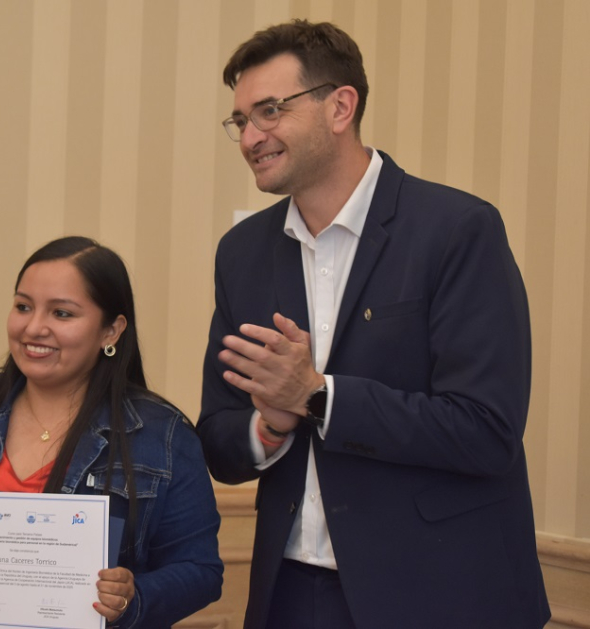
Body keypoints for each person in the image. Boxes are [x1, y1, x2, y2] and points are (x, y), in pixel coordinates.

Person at [197, 19, 549, 629]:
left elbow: (487, 430)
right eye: (241, 121)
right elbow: (221, 442)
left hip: (437, 593)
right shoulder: (242, 253)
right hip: (287, 594)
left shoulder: (457, 231)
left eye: (270, 111)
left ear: (340, 106)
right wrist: (268, 426)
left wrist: (316, 396)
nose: (251, 136)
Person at [0, 236, 223, 628]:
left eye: (61, 314)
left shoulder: (161, 434)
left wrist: (134, 596)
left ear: (111, 331)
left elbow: (200, 570)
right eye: (23, 306)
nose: (33, 327)